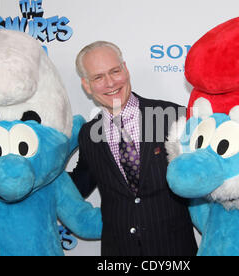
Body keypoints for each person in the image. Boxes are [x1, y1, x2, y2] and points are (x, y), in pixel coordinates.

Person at [69, 41, 197, 256]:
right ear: (87, 85)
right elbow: (80, 184)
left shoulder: (174, 117)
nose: (110, 83)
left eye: (115, 71)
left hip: (175, 251)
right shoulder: (88, 135)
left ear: (125, 70)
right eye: (98, 77)